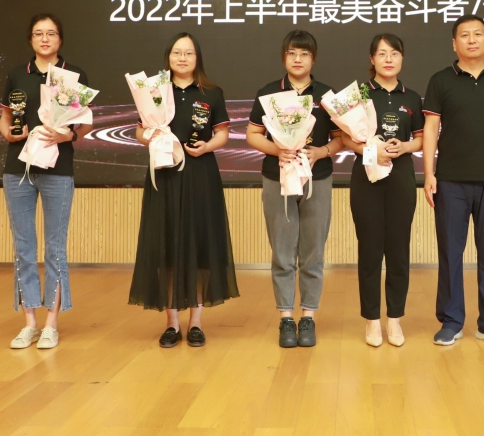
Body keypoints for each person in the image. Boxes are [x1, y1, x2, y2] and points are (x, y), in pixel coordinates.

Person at [128, 33, 240, 347]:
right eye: (177, 52)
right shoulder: (154, 92)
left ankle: (196, 323)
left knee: (199, 246)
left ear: (197, 58)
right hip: (164, 174)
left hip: (201, 175)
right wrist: (150, 137)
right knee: (167, 246)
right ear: (169, 57)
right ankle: (172, 323)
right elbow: (139, 130)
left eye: (188, 53)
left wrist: (207, 147)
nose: (182, 58)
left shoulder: (212, 93)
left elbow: (222, 134)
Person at [422, 15, 484, 347]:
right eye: (464, 35)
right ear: (454, 44)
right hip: (450, 181)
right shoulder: (440, 80)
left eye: (478, 34)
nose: (471, 40)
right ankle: (451, 321)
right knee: (451, 253)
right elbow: (431, 130)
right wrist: (429, 174)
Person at [246, 30, 344, 348]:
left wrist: (322, 152)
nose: (297, 59)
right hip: (278, 179)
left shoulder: (327, 95)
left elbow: (342, 138)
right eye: (292, 53)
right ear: (284, 57)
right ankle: (286, 317)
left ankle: (308, 317)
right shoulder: (269, 93)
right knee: (282, 251)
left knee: (313, 251)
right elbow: (252, 135)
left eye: (304, 53)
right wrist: (278, 150)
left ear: (313, 59)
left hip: (318, 179)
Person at [0, 13, 91, 350]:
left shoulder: (73, 75)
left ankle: (51, 324)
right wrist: (10, 134)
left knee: (55, 248)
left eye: (51, 33)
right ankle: (29, 323)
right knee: (23, 247)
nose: (45, 39)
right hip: (18, 169)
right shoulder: (17, 75)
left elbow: (85, 124)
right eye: (38, 33)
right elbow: (5, 119)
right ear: (31, 39)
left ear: (60, 39)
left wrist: (68, 136)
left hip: (58, 169)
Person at [340, 34, 424, 347]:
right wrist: (369, 150)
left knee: (399, 251)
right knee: (370, 249)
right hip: (366, 175)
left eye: (394, 53)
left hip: (401, 175)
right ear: (372, 59)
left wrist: (404, 147)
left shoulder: (412, 97)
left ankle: (395, 319)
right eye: (382, 53)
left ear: (402, 58)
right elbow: (344, 137)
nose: (389, 59)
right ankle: (372, 321)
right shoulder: (359, 95)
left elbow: (420, 139)